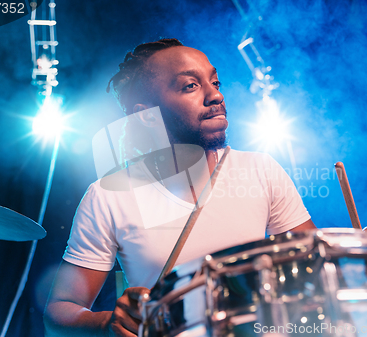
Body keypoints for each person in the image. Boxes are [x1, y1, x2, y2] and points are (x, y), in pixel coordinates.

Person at [43, 38, 319, 337]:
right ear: (147, 115)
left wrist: (360, 263)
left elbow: (315, 269)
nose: (215, 95)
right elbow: (59, 312)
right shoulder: (108, 196)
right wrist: (107, 323)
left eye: (215, 82)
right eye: (190, 86)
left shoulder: (261, 169)